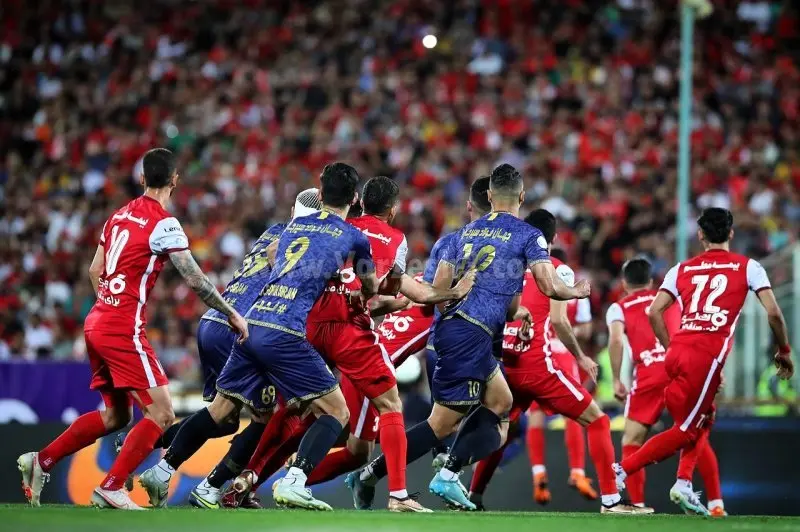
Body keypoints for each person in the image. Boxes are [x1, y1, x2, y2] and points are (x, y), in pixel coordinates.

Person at [224, 176, 475, 512]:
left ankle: (248, 478)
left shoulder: (340, 225)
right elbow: (396, 290)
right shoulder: (394, 239)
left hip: (308, 322)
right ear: (393, 209)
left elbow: (276, 253)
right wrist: (455, 291)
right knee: (389, 404)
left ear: (359, 202)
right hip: (349, 330)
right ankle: (397, 495)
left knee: (297, 409)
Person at [17, 148, 249, 510]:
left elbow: (95, 270)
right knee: (163, 414)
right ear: (175, 180)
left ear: (141, 179)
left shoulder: (118, 216)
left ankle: (41, 460)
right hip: (121, 327)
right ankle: (111, 486)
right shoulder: (164, 223)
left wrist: (109, 305)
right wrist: (231, 313)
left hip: (97, 322)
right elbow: (194, 278)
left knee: (118, 415)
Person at [351, 164, 589, 511]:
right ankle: (382, 474)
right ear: (522, 196)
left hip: (455, 330)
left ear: (489, 196)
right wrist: (576, 291)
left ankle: (429, 472)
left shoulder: (459, 236)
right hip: (470, 335)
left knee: (501, 402)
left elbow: (440, 291)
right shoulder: (528, 235)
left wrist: (498, 311)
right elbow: (549, 285)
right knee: (441, 425)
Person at [137, 188, 322, 509]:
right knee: (265, 419)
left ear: (294, 211)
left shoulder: (274, 230)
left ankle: (153, 458)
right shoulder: (299, 240)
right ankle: (211, 487)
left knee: (225, 417)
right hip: (241, 328)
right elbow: (275, 256)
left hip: (215, 318)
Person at [613, 207, 794, 515]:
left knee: (704, 417)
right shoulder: (748, 267)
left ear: (700, 235)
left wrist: (671, 348)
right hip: (705, 355)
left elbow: (654, 312)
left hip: (678, 351)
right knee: (686, 430)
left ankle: (684, 482)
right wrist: (784, 351)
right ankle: (621, 471)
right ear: (731, 233)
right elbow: (774, 313)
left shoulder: (680, 269)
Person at [465, 209, 646, 514]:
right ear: (554, 237)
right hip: (538, 367)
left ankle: (473, 496)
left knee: (503, 431)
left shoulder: (506, 266)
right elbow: (560, 321)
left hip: (505, 365)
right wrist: (581, 356)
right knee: (598, 420)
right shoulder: (558, 269)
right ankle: (611, 499)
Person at [607, 257, 725, 515]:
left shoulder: (618, 307)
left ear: (624, 284)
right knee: (692, 430)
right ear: (651, 281)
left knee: (632, 439)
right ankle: (716, 503)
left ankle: (637, 504)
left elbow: (615, 340)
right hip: (680, 368)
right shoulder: (671, 300)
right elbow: (692, 330)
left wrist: (616, 378)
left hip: (648, 374)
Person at [523, 248, 596, 505]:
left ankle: (538, 473)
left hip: (536, 352)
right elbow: (586, 328)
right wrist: (570, 330)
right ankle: (577, 472)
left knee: (535, 416)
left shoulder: (530, 279)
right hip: (563, 354)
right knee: (575, 413)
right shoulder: (571, 283)